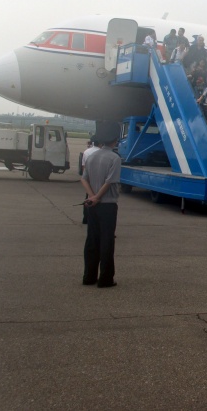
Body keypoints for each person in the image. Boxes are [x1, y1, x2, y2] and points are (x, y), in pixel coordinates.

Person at [80, 121, 122, 288]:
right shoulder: (114, 158)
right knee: (107, 241)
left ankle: (88, 276)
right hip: (107, 205)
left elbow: (83, 178)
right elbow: (110, 182)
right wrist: (98, 197)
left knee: (92, 240)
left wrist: (91, 196)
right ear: (114, 141)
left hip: (92, 205)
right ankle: (105, 278)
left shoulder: (91, 156)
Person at [80, 139, 101, 225]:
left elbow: (83, 166)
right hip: (98, 178)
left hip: (88, 178)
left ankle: (85, 218)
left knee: (88, 198)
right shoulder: (101, 152)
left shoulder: (86, 151)